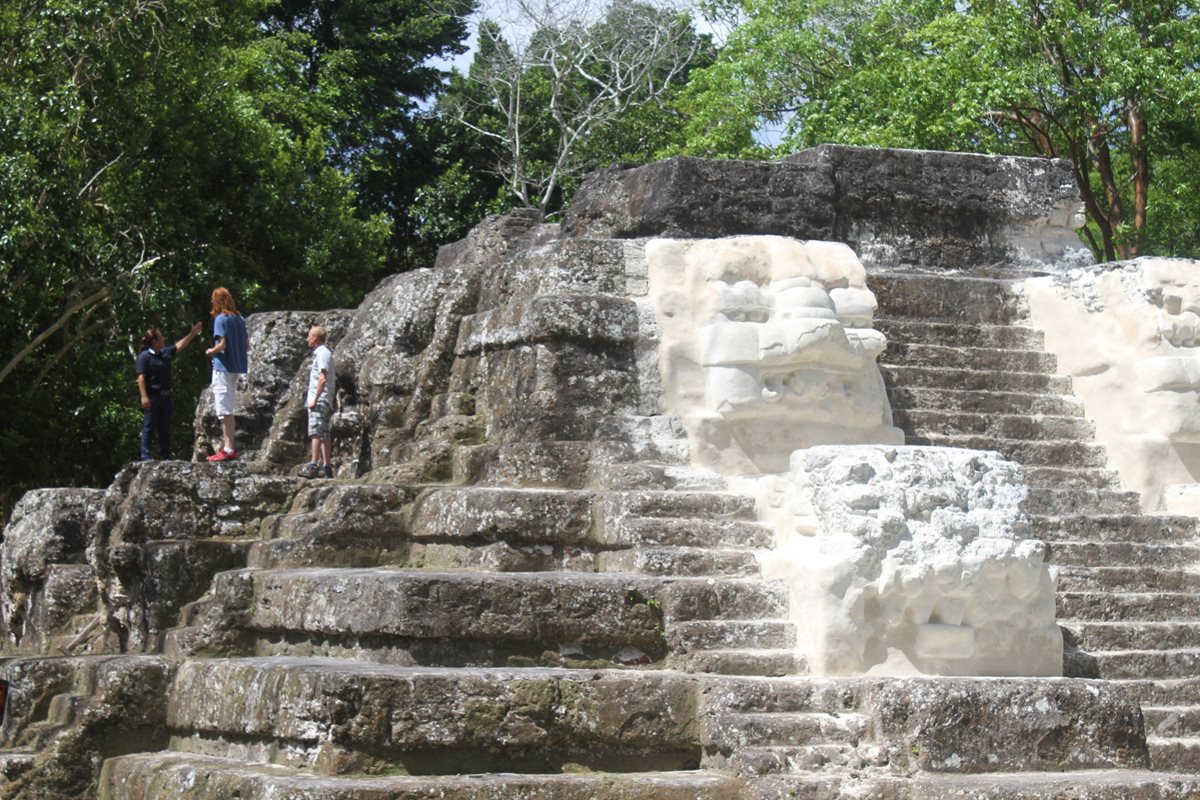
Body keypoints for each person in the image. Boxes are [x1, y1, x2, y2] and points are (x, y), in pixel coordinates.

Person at [135, 322, 202, 460]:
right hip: (153, 396)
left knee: (164, 428)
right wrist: (144, 397)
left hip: (166, 397)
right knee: (149, 426)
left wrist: (192, 334)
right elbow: (141, 377)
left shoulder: (164, 353)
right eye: (161, 337)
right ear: (154, 341)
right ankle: (145, 456)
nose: (164, 339)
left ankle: (165, 456)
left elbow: (179, 346)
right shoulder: (145, 356)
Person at [203, 287, 249, 462]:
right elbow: (247, 345)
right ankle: (229, 446)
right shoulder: (240, 319)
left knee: (223, 408)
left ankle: (228, 448)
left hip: (223, 366)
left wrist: (210, 351)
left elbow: (222, 344)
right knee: (229, 406)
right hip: (237, 366)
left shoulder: (220, 319)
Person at [299, 326, 336, 479]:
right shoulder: (326, 353)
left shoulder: (321, 353)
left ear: (316, 337)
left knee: (315, 432)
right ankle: (326, 466)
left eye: (310, 336)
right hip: (326, 398)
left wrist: (314, 398)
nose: (307, 338)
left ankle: (313, 464)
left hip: (319, 398)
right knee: (324, 433)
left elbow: (322, 378)